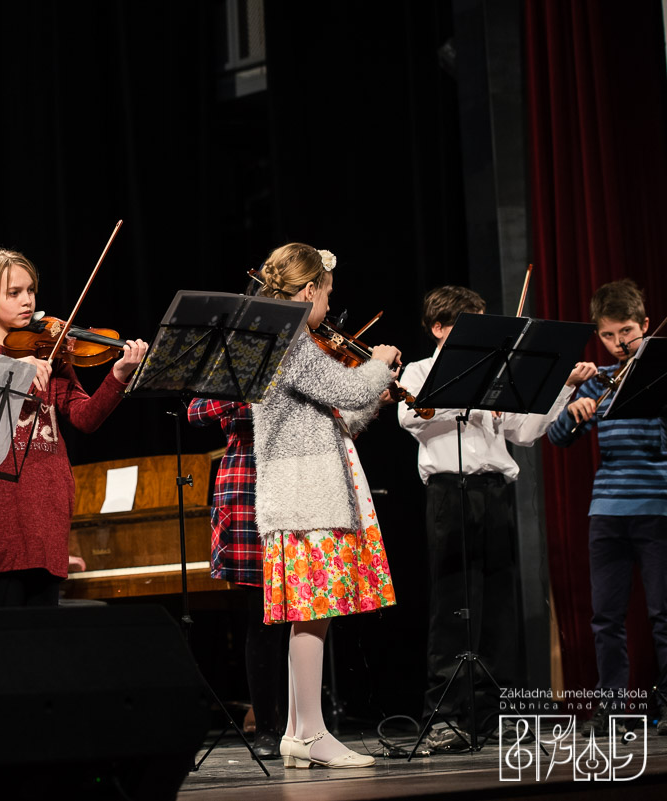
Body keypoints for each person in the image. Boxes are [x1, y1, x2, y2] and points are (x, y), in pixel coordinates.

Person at [397, 286, 595, 749]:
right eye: (473, 326)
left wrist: (563, 389)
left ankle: (489, 716)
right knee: (454, 606)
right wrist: (469, 381)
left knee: (497, 610)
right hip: (451, 492)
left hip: (496, 492)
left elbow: (524, 432)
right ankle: (444, 715)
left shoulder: (496, 374)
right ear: (440, 328)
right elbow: (412, 417)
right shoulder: (421, 371)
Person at [0, 248, 147, 607]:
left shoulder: (51, 350)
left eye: (30, 290)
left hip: (49, 492)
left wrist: (118, 376)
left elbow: (85, 417)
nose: (27, 301)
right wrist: (7, 369)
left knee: (46, 620)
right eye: (13, 293)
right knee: (10, 619)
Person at [252, 243, 399, 769]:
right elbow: (345, 385)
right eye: (327, 293)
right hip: (304, 495)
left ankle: (298, 730)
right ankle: (313, 733)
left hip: (303, 487)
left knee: (310, 617)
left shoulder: (282, 341)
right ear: (309, 290)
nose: (330, 305)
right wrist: (379, 365)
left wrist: (370, 398)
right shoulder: (289, 340)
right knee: (313, 616)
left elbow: (333, 417)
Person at [547, 279, 667, 735]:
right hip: (607, 510)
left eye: (629, 333)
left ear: (646, 326)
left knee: (662, 613)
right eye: (609, 335)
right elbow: (557, 439)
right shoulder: (595, 380)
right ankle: (614, 708)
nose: (619, 344)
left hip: (658, 505)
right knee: (606, 617)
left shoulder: (658, 372)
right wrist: (572, 416)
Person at [187, 398, 287, 759]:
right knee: (261, 618)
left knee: (307, 611)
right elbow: (196, 412)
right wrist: (245, 386)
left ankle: (304, 723)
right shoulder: (232, 362)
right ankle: (266, 727)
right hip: (248, 486)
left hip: (295, 479)